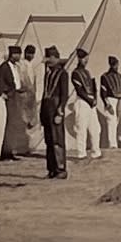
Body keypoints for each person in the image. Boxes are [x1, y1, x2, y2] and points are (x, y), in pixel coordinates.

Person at [40, 46, 70, 179]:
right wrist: (42, 113)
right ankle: (51, 169)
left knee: (57, 139)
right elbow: (44, 94)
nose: (48, 61)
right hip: (47, 107)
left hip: (56, 107)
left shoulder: (62, 74)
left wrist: (60, 111)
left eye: (50, 58)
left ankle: (61, 169)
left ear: (55, 58)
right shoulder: (47, 74)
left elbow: (64, 94)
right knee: (49, 140)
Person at [70, 48, 103, 160]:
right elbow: (79, 90)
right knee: (81, 128)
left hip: (91, 102)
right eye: (84, 59)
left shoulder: (88, 72)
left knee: (95, 128)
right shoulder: (75, 73)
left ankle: (96, 151)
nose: (85, 61)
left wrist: (95, 99)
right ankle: (81, 153)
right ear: (79, 59)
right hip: (82, 102)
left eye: (86, 59)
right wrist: (90, 100)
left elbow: (94, 87)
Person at [0, 45, 30, 158]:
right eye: (18, 54)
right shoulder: (4, 67)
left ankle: (11, 149)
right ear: (13, 55)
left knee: (14, 124)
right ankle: (5, 151)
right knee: (8, 124)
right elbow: (1, 81)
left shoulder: (16, 67)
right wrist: (6, 92)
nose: (19, 57)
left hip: (16, 96)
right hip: (10, 97)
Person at [99, 55, 121, 149]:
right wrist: (107, 104)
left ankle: (117, 141)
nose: (115, 67)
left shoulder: (120, 77)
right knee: (111, 121)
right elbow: (102, 92)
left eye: (116, 65)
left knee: (118, 122)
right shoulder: (104, 77)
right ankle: (112, 144)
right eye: (114, 65)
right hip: (110, 99)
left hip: (119, 100)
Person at [23, 44, 44, 153]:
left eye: (32, 54)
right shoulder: (22, 64)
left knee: (32, 120)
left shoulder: (33, 65)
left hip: (32, 95)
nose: (31, 56)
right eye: (29, 53)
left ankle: (30, 144)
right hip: (25, 95)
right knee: (25, 120)